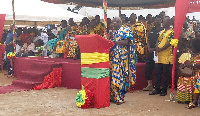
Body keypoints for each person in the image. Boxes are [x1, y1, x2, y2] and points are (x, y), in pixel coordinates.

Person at [109, 17, 136, 105]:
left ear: (119, 22)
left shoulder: (125, 29)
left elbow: (128, 42)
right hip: (114, 58)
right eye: (112, 22)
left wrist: (115, 42)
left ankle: (120, 97)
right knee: (114, 77)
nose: (112, 24)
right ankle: (114, 96)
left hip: (122, 59)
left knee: (120, 77)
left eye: (114, 22)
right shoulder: (114, 32)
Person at [149, 16, 174, 96]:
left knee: (166, 74)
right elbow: (158, 40)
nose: (162, 23)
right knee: (157, 73)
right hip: (159, 56)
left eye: (164, 21)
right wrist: (156, 47)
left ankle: (164, 90)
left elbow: (169, 43)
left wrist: (161, 49)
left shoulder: (171, 32)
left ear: (168, 23)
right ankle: (157, 89)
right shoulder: (162, 32)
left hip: (167, 56)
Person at [177, 38, 200, 109]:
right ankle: (186, 99)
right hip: (192, 72)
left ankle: (194, 100)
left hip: (198, 72)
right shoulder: (191, 55)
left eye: (191, 46)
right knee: (182, 78)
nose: (190, 48)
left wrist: (191, 65)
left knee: (195, 79)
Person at [143, 16, 163, 91]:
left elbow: (161, 41)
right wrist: (148, 48)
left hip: (158, 53)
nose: (156, 21)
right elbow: (148, 40)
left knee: (158, 69)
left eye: (158, 20)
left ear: (161, 21)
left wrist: (155, 48)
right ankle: (149, 85)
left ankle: (158, 85)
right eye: (155, 20)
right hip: (150, 52)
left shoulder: (162, 31)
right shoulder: (151, 30)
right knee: (148, 68)